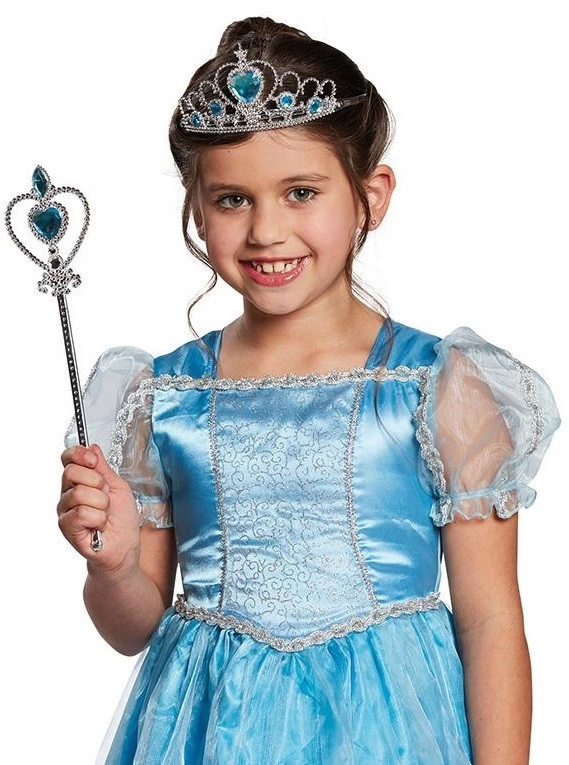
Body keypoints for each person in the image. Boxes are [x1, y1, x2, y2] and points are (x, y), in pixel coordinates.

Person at [58, 16, 561, 764]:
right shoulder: (163, 396)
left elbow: (490, 623)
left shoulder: (435, 386)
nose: (266, 230)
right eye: (232, 199)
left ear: (371, 196)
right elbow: (133, 628)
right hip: (210, 728)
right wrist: (116, 566)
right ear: (196, 206)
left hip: (387, 730)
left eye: (300, 192)